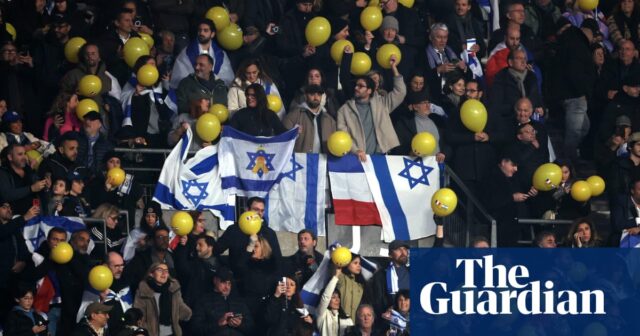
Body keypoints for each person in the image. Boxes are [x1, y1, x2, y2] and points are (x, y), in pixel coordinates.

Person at [336, 55, 406, 161]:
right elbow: (343, 135)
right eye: (356, 85)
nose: (356, 88)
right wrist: (356, 151)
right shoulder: (344, 110)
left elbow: (400, 92)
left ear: (369, 91)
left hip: (380, 156)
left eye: (360, 86)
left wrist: (394, 68)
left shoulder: (382, 104)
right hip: (356, 157)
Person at [555, 18, 599, 160]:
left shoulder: (571, 40)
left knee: (584, 126)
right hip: (575, 96)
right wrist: (584, 92)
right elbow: (575, 73)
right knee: (574, 133)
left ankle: (567, 157)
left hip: (570, 94)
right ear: (591, 32)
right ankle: (569, 163)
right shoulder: (578, 44)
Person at [77, 251, 133, 335]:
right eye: (116, 266)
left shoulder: (125, 285)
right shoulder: (94, 286)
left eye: (122, 265)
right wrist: (100, 301)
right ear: (105, 266)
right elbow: (84, 316)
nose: (120, 269)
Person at [189, 268, 254, 336]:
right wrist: (218, 324)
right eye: (223, 282)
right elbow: (195, 329)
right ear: (215, 280)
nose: (227, 287)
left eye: (229, 283)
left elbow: (252, 328)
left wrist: (240, 325)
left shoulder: (239, 302)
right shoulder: (203, 301)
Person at [488, 49, 544, 128]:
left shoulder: (531, 76)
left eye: (524, 59)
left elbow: (537, 97)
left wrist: (541, 109)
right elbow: (496, 105)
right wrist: (518, 109)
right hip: (508, 122)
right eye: (519, 58)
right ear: (510, 62)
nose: (523, 61)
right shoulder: (501, 78)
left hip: (530, 121)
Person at [0, 202, 38, 319]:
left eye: (10, 207)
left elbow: (24, 251)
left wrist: (23, 262)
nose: (9, 210)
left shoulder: (15, 228)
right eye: (4, 207)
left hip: (12, 281)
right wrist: (25, 218)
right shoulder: (12, 226)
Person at [170, 19, 234, 88]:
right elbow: (180, 77)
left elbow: (227, 79)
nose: (201, 33)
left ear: (212, 34)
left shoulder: (221, 54)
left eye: (205, 30)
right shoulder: (187, 52)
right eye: (200, 30)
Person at [133, 262, 192, 336]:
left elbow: (181, 309)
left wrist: (187, 313)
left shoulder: (173, 290)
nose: (164, 273)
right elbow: (138, 318)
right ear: (151, 274)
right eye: (160, 270)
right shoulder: (143, 291)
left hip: (173, 333)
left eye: (166, 271)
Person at [392, 90, 449, 161]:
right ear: (415, 107)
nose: (428, 105)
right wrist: (410, 153)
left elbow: (447, 142)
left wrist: (443, 153)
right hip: (415, 166)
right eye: (424, 103)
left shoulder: (437, 121)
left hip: (436, 166)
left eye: (428, 102)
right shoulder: (404, 123)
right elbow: (397, 148)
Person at [283, 84, 337, 153]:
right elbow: (283, 140)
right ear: (305, 96)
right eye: (312, 94)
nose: (316, 97)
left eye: (319, 94)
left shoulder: (329, 120)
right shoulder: (293, 116)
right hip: (299, 161)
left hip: (322, 161)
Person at [365, 240, 409, 319]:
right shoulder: (381, 275)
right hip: (389, 321)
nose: (403, 252)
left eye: (405, 249)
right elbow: (377, 301)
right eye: (398, 249)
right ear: (390, 255)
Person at [0, 143, 48, 215]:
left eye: (25, 154)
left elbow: (38, 186)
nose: (24, 157)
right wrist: (31, 189)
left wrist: (45, 184)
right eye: (20, 154)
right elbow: (6, 195)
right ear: (10, 157)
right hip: (17, 218)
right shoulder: (3, 172)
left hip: (38, 215)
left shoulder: (28, 169)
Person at [127, 226, 176, 295]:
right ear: (153, 240)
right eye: (160, 237)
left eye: (166, 237)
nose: (164, 240)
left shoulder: (172, 256)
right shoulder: (141, 258)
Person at [425, 23, 469, 98]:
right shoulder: (423, 54)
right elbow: (422, 77)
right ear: (430, 37)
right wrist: (438, 70)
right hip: (436, 95)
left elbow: (468, 75)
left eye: (445, 37)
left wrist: (464, 68)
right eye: (439, 37)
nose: (442, 40)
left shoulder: (451, 51)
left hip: (456, 94)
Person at [175, 233, 219, 307]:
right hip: (195, 306)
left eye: (200, 245)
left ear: (210, 247)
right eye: (196, 245)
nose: (197, 248)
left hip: (214, 307)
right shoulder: (194, 264)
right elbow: (182, 266)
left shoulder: (221, 265)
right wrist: (182, 246)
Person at [316, 264, 354, 336]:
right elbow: (326, 297)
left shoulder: (347, 318)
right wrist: (336, 276)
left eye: (338, 297)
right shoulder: (322, 314)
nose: (337, 300)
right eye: (333, 297)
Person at [77, 111, 113, 179]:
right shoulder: (76, 139)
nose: (87, 122)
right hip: (78, 177)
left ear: (99, 124)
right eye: (86, 119)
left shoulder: (107, 145)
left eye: (92, 120)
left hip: (98, 179)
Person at [337, 253, 366, 323]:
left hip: (354, 324)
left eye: (359, 263)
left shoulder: (361, 285)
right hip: (340, 322)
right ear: (347, 264)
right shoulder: (341, 278)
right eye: (355, 263)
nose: (359, 266)